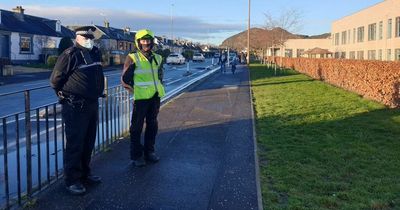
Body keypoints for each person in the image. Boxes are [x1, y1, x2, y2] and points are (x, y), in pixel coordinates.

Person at [50, 26, 104, 195]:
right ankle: (72, 180)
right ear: (77, 37)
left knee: (88, 142)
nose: (89, 39)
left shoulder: (95, 52)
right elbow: (55, 80)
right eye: (85, 37)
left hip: (92, 104)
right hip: (75, 106)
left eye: (91, 37)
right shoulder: (69, 55)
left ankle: (85, 174)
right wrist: (65, 95)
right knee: (75, 144)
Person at [121, 29, 165, 167]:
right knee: (136, 128)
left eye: (148, 40)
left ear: (152, 41)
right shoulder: (133, 57)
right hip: (140, 99)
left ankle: (149, 152)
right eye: (143, 40)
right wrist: (134, 91)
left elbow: (160, 76)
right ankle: (136, 156)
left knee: (152, 126)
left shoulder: (158, 58)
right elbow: (124, 79)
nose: (146, 43)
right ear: (138, 42)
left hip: (155, 97)